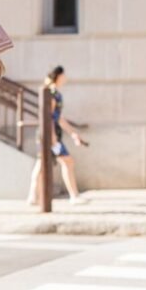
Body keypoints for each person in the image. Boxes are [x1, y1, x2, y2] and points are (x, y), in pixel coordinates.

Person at [26, 65, 88, 206]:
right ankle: (73, 196)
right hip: (49, 135)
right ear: (58, 76)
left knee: (43, 165)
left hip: (50, 135)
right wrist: (53, 138)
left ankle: (33, 196)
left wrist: (73, 133)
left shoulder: (55, 93)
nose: (65, 77)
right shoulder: (52, 93)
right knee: (62, 162)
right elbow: (48, 117)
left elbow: (58, 117)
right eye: (63, 75)